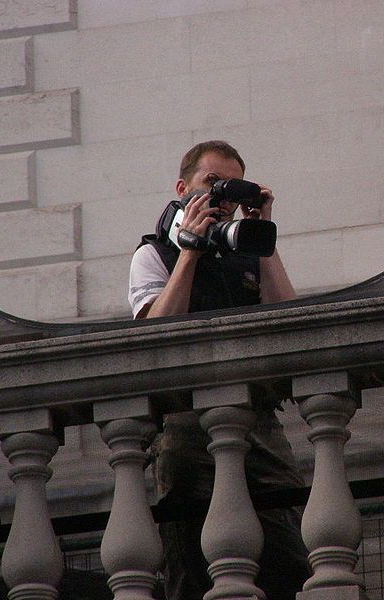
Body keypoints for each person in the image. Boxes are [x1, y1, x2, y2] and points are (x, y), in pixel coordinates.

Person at [128, 140, 311, 599]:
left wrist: (263, 237)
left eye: (232, 188)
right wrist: (188, 251)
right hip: (184, 427)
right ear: (181, 187)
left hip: (257, 416)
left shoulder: (247, 254)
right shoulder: (153, 256)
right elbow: (154, 335)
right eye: (212, 184)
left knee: (290, 543)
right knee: (189, 557)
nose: (222, 198)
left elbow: (290, 322)